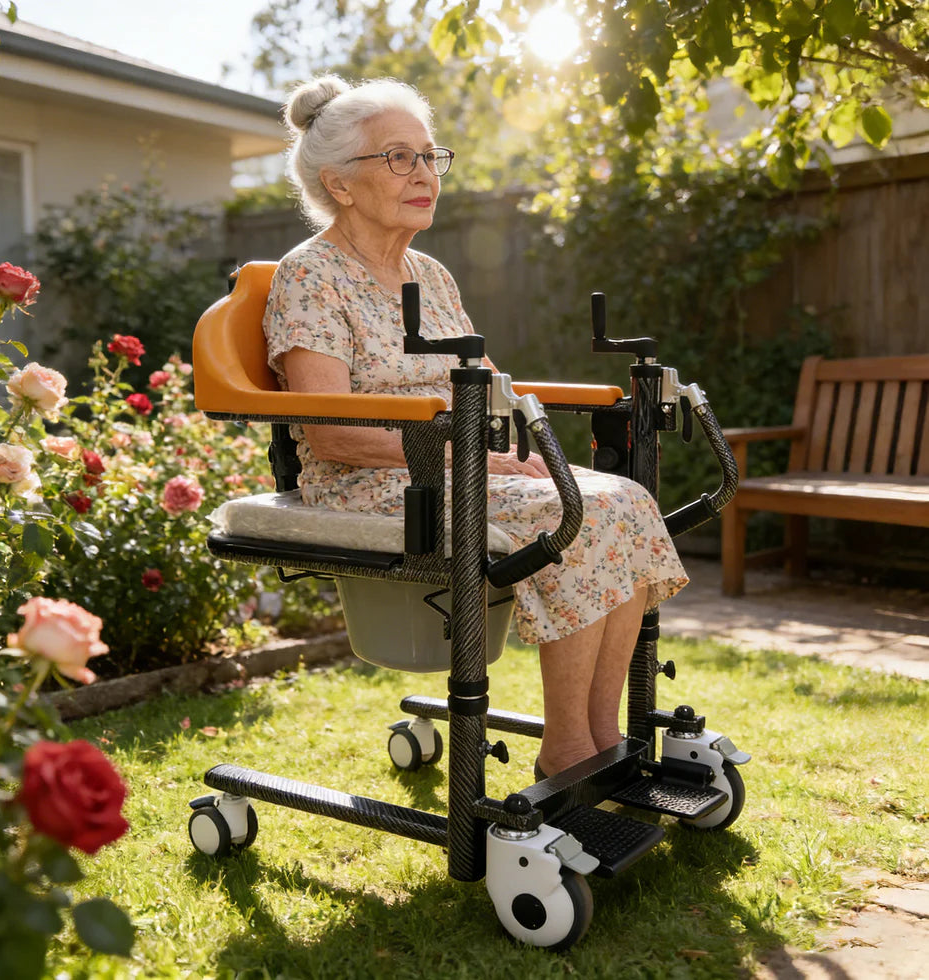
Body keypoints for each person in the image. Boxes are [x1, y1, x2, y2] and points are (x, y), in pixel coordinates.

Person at [262, 75, 688, 778]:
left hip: (458, 465)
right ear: (339, 185)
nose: (424, 174)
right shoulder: (309, 276)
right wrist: (479, 454)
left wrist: (519, 439)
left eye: (430, 156)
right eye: (399, 158)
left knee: (626, 502)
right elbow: (333, 435)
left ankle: (599, 735)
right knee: (573, 511)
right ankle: (566, 752)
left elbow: (493, 388)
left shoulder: (430, 275)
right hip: (369, 482)